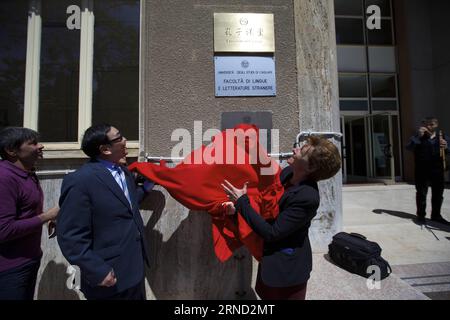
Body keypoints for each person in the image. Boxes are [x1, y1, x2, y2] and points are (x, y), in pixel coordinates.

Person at [221, 136, 341, 300]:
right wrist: (237, 211)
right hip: (269, 262)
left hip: (287, 272)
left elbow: (272, 232)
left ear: (310, 167)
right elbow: (265, 204)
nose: (294, 150)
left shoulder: (307, 197)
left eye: (302, 151)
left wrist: (242, 202)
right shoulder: (287, 174)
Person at [56, 124, 152, 300]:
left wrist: (146, 188)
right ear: (105, 149)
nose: (125, 141)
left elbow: (125, 206)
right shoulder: (80, 181)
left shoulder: (123, 172)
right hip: (108, 276)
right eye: (120, 137)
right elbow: (70, 235)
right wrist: (97, 271)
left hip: (133, 268)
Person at [0, 127, 59, 300]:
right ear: (11, 151)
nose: (40, 146)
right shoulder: (4, 178)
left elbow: (24, 210)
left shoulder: (26, 173)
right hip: (9, 269)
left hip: (29, 259)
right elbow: (3, 229)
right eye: (32, 143)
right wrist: (46, 216)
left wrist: (46, 219)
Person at [406, 117, 450, 225]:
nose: (428, 126)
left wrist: (447, 146)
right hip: (422, 170)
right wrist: (418, 137)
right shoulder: (417, 136)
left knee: (438, 194)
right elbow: (409, 147)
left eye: (431, 124)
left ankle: (436, 215)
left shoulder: (442, 137)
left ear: (436, 125)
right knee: (421, 193)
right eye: (426, 124)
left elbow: (448, 151)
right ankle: (421, 215)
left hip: (437, 170)